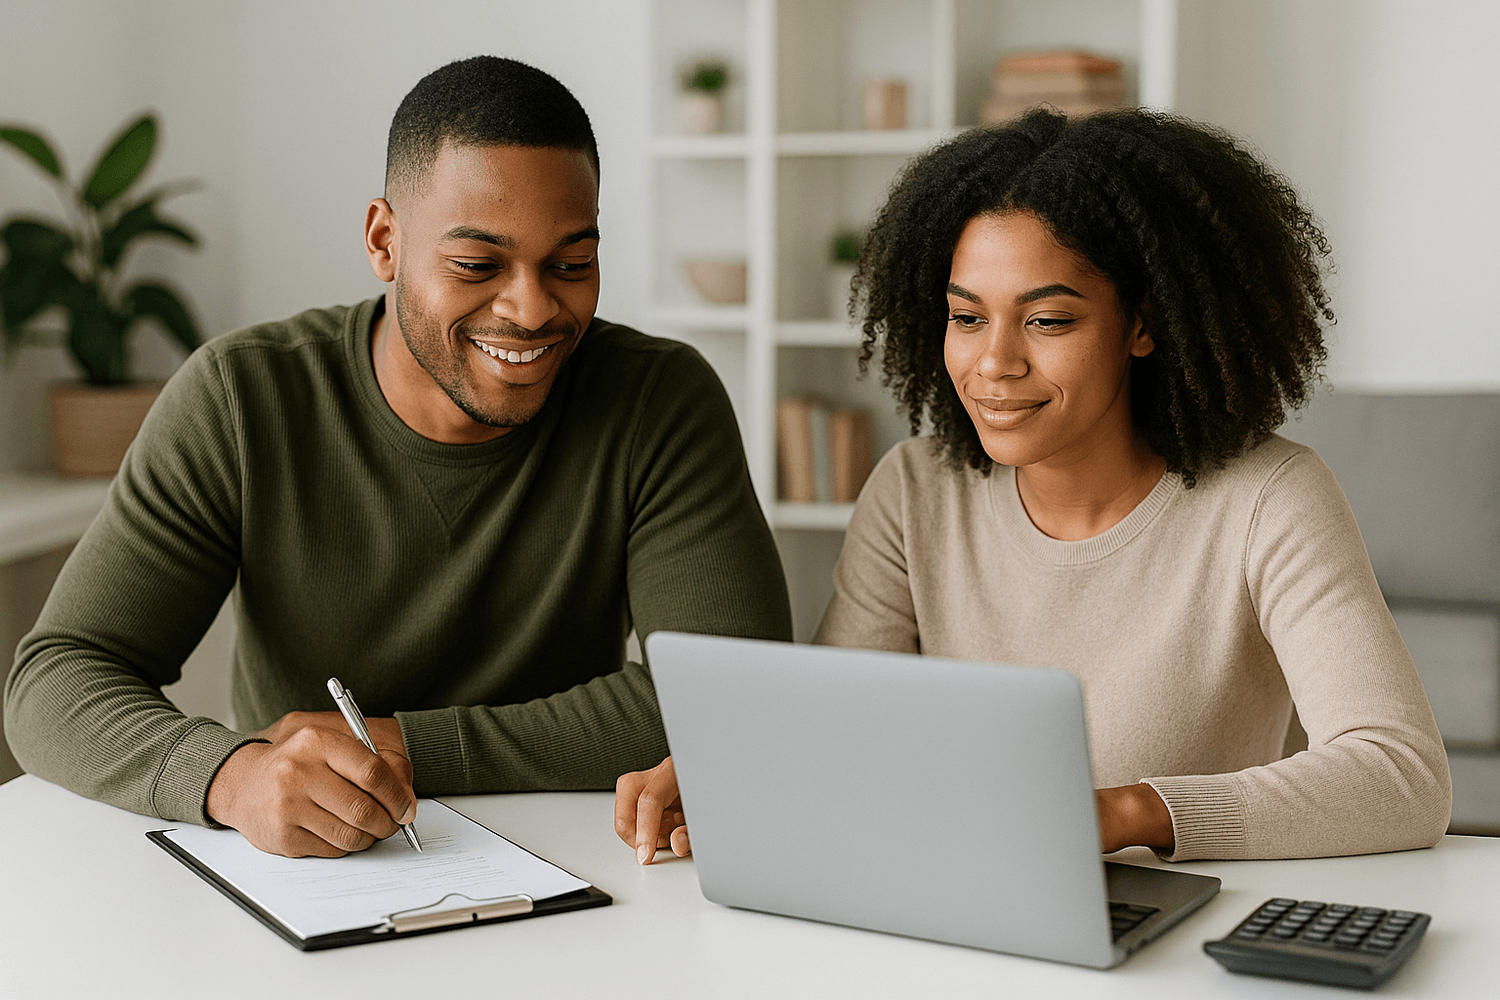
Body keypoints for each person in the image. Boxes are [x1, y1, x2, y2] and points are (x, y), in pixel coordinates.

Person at [616, 107, 1451, 865]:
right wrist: (730, 769)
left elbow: (1402, 776)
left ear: (1145, 323)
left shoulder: (1271, 498)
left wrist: (1125, 813)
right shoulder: (915, 490)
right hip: (965, 903)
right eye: (967, 317)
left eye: (1049, 321)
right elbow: (839, 731)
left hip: (1185, 938)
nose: (994, 364)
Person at [5, 56, 791, 858]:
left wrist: (415, 747)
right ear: (385, 241)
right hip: (319, 874)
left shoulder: (658, 400)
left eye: (571, 264)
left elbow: (729, 696)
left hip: (588, 864)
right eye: (477, 266)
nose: (533, 308)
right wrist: (233, 775)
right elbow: (56, 678)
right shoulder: (242, 399)